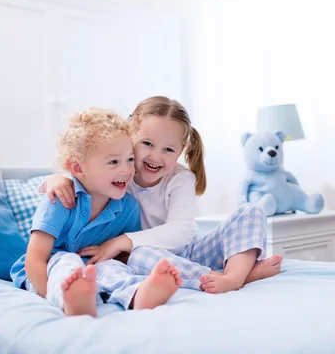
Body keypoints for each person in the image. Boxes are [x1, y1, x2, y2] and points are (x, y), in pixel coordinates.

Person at [41, 97, 282, 294]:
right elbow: (83, 172)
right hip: (145, 258)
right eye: (146, 143)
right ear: (128, 135)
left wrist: (122, 241)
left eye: (168, 149)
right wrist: (56, 178)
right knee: (137, 256)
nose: (156, 157)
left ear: (182, 149)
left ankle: (236, 276)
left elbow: (182, 230)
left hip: (189, 251)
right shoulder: (116, 173)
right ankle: (222, 276)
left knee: (251, 212)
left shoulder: (180, 178)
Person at [10, 107, 182, 317]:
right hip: (47, 269)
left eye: (129, 159)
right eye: (113, 162)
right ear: (78, 168)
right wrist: (47, 293)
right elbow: (35, 258)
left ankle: (138, 294)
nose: (127, 170)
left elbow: (124, 255)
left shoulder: (128, 206)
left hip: (94, 267)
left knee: (113, 268)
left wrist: (118, 267)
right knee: (67, 262)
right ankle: (71, 299)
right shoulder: (60, 198)